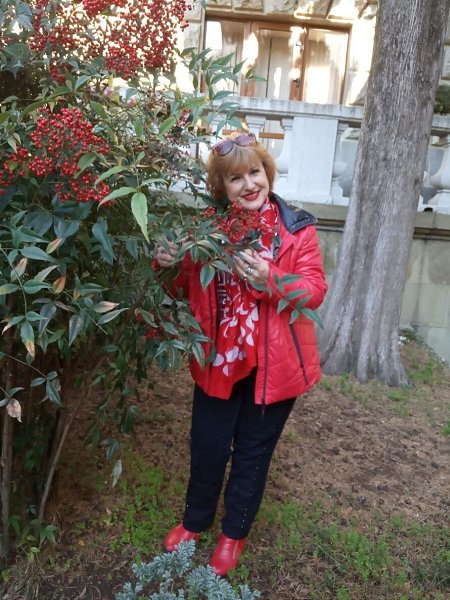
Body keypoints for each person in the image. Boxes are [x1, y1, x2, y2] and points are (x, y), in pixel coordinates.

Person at [154, 131, 327, 576]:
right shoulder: (206, 231)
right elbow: (178, 288)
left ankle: (234, 534)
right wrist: (167, 264)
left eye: (255, 172)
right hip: (219, 360)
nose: (249, 184)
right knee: (208, 447)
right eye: (236, 178)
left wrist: (272, 279)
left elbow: (313, 291)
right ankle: (195, 522)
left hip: (275, 367)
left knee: (253, 453)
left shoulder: (297, 229)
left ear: (267, 174)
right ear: (222, 187)